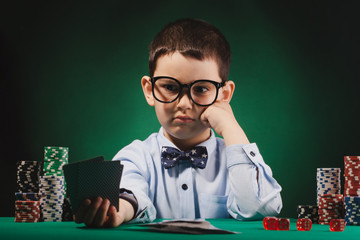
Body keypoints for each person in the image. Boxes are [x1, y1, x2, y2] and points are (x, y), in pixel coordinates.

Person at [74, 18, 282, 228]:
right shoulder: (135, 156)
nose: (184, 103)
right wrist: (118, 210)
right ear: (149, 90)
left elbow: (260, 209)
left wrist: (231, 127)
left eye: (201, 89)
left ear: (224, 94)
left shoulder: (236, 162)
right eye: (171, 87)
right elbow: (130, 195)